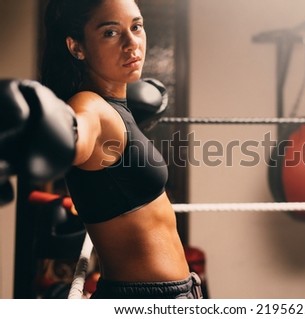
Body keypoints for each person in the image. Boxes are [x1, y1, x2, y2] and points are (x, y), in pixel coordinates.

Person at [37, 0, 202, 299]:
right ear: (77, 47)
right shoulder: (88, 106)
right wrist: (49, 137)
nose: (132, 44)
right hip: (145, 300)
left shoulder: (116, 109)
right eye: (111, 33)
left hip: (177, 293)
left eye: (136, 27)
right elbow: (76, 136)